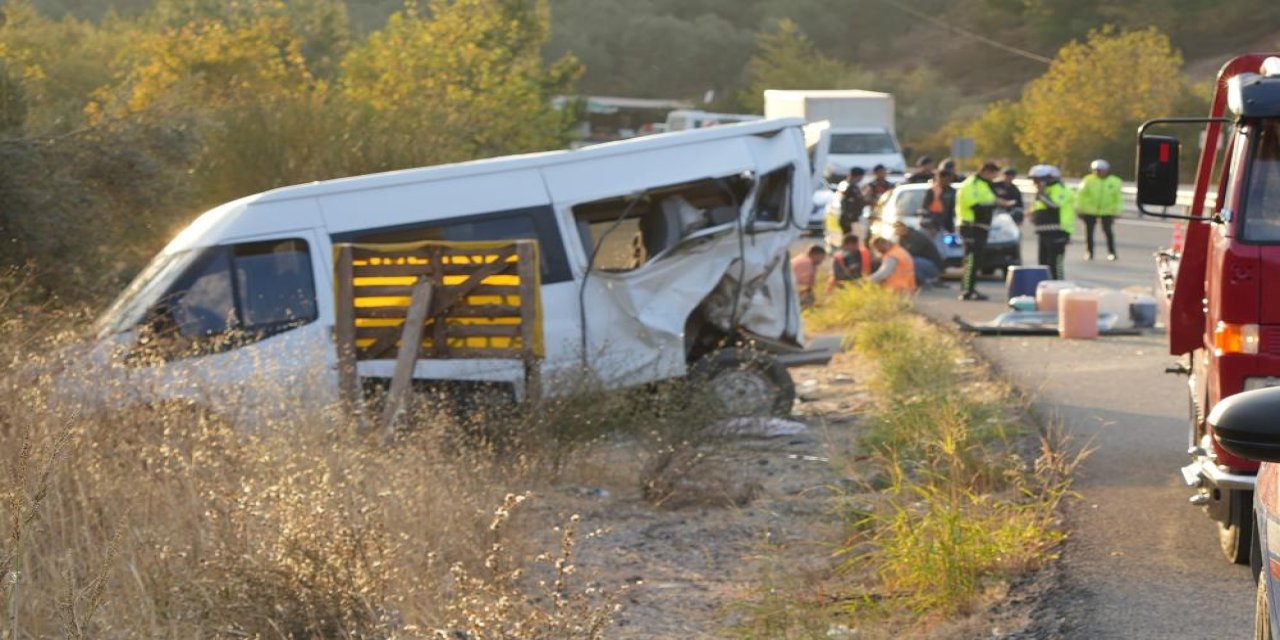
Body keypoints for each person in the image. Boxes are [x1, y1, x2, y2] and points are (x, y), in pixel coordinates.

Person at [955, 162, 1016, 301]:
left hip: (981, 227)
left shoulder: (984, 185)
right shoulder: (972, 184)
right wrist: (995, 204)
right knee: (971, 259)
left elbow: (990, 200)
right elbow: (974, 204)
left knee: (976, 260)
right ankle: (967, 290)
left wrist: (1002, 203)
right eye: (993, 174)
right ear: (986, 171)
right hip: (971, 226)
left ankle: (970, 288)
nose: (994, 177)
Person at [1028, 164, 1075, 280]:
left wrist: (1042, 194)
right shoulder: (1043, 192)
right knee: (1043, 265)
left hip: (1058, 231)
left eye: (1037, 180)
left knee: (1055, 264)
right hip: (1043, 232)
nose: (1035, 183)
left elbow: (1054, 206)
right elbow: (1038, 209)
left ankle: (1058, 287)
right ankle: (1045, 291)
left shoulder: (1060, 189)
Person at [1076, 158, 1123, 260]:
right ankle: (1089, 252)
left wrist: (1117, 211)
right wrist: (1079, 209)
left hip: (1107, 210)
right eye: (1095, 170)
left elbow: (1118, 198)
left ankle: (1112, 252)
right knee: (1089, 232)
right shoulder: (1087, 180)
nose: (1097, 172)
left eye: (1100, 170)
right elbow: (1080, 195)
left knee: (1108, 231)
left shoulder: (1114, 181)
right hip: (1089, 210)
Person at [893, 221, 944, 288]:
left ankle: (927, 280)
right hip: (924, 263)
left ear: (904, 228)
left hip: (933, 266)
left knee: (913, 261)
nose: (897, 232)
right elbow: (900, 251)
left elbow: (909, 254)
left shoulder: (916, 237)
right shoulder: (903, 237)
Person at [837, 167, 868, 234]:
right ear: (857, 176)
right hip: (849, 218)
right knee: (850, 239)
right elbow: (856, 199)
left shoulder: (852, 186)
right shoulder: (847, 185)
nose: (861, 179)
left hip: (852, 217)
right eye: (861, 176)